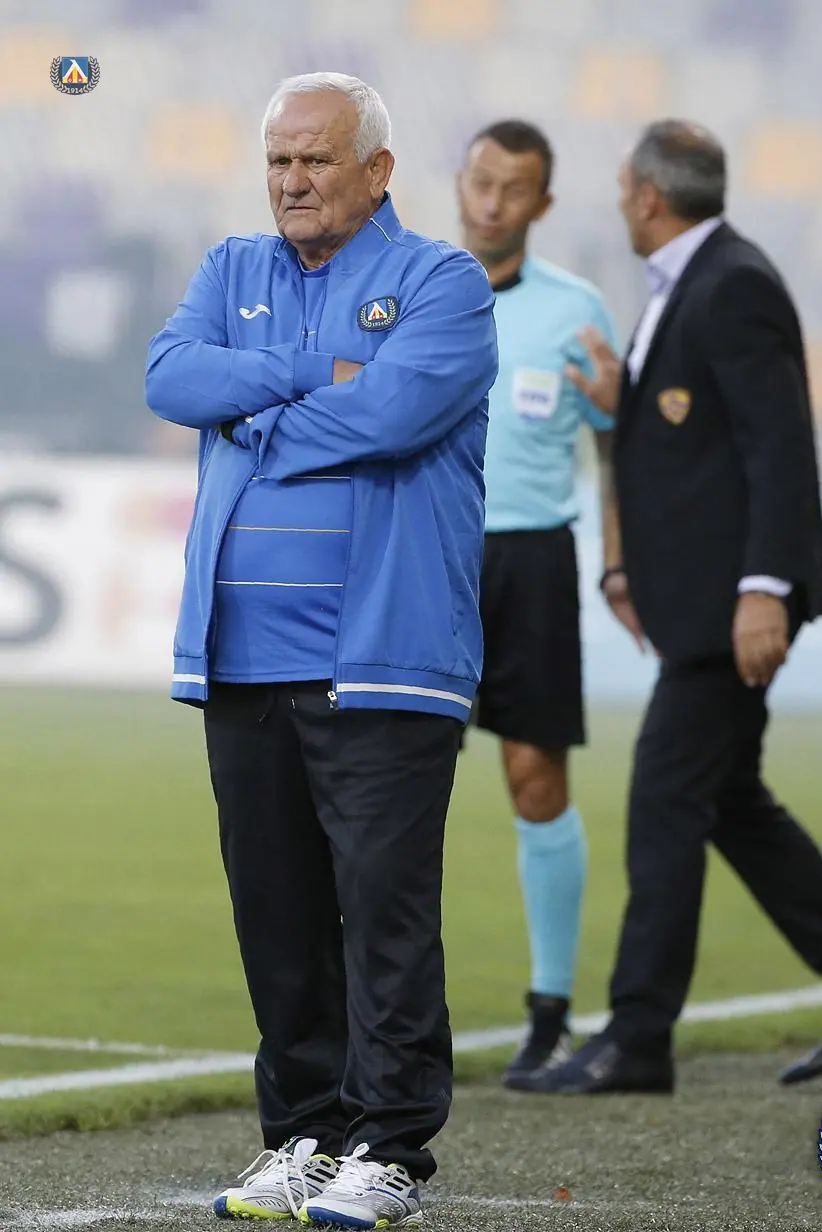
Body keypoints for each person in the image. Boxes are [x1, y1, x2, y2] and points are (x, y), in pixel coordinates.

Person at [145, 72, 497, 1226]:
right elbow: (168, 376)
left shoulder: (441, 281)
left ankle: (388, 1147)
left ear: (377, 170)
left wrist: (251, 409)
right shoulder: (230, 268)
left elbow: (396, 414)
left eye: (316, 159)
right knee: (279, 917)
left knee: (382, 913)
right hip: (240, 658)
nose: (292, 180)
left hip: (383, 659)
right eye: (278, 160)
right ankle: (303, 1133)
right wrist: (310, 372)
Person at [523, 119, 822, 1095]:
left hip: (726, 606)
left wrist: (764, 590)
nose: (621, 202)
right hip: (695, 599)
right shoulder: (696, 280)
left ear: (649, 196)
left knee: (665, 799)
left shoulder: (731, 282)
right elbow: (694, 435)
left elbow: (777, 445)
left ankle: (638, 1036)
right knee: (729, 800)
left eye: (624, 188)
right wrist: (624, 404)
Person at [456, 120, 625, 1087]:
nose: (493, 202)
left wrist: (619, 564)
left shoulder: (576, 309)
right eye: (481, 180)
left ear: (543, 203)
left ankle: (549, 1014)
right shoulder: (409, 289)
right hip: (422, 555)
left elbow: (613, 442)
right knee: (393, 785)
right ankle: (381, 1017)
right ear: (459, 182)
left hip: (532, 560)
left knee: (534, 780)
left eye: (513, 187)